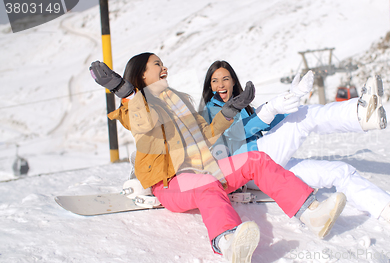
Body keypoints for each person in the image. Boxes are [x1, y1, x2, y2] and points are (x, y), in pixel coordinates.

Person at [89, 53, 347, 263]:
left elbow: (207, 133)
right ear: (142, 74)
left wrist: (231, 109)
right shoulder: (134, 107)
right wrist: (125, 91)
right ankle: (229, 241)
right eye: (157, 64)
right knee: (205, 185)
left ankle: (311, 213)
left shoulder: (178, 101)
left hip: (202, 169)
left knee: (254, 159)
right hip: (169, 184)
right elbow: (144, 122)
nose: (164, 67)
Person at [198, 60, 390, 230]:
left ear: (234, 81)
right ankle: (360, 114)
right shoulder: (210, 110)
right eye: (215, 80)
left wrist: (291, 99)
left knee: (339, 171)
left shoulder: (242, 105)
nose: (221, 84)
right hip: (249, 165)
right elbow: (233, 136)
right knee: (305, 119)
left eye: (225, 78)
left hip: (268, 165)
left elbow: (267, 124)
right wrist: (269, 109)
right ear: (209, 86)